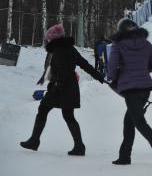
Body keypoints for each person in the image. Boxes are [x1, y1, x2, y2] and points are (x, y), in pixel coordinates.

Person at [20, 24, 104, 155]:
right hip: (70, 86)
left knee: (43, 109)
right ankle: (79, 146)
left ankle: (34, 141)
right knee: (68, 115)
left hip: (61, 86)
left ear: (53, 38)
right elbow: (84, 64)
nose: (48, 41)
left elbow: (61, 71)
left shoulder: (58, 50)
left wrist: (56, 86)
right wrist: (98, 76)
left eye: (49, 39)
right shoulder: (70, 48)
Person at [107, 18, 152, 167]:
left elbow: (112, 65)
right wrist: (144, 70)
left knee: (139, 122)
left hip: (130, 90)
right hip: (145, 88)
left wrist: (112, 78)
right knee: (129, 121)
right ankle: (124, 156)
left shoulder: (118, 45)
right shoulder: (145, 43)